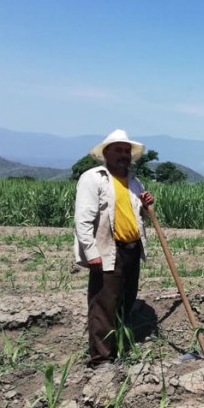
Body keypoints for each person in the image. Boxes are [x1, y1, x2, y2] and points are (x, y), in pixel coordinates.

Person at [74, 129, 155, 367]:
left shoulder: (134, 182)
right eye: (118, 150)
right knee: (103, 304)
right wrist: (91, 252)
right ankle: (101, 360)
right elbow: (83, 219)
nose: (123, 155)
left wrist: (146, 206)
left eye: (126, 151)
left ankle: (118, 345)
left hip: (132, 250)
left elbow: (136, 216)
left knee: (125, 300)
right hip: (108, 250)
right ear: (106, 152)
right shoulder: (93, 178)